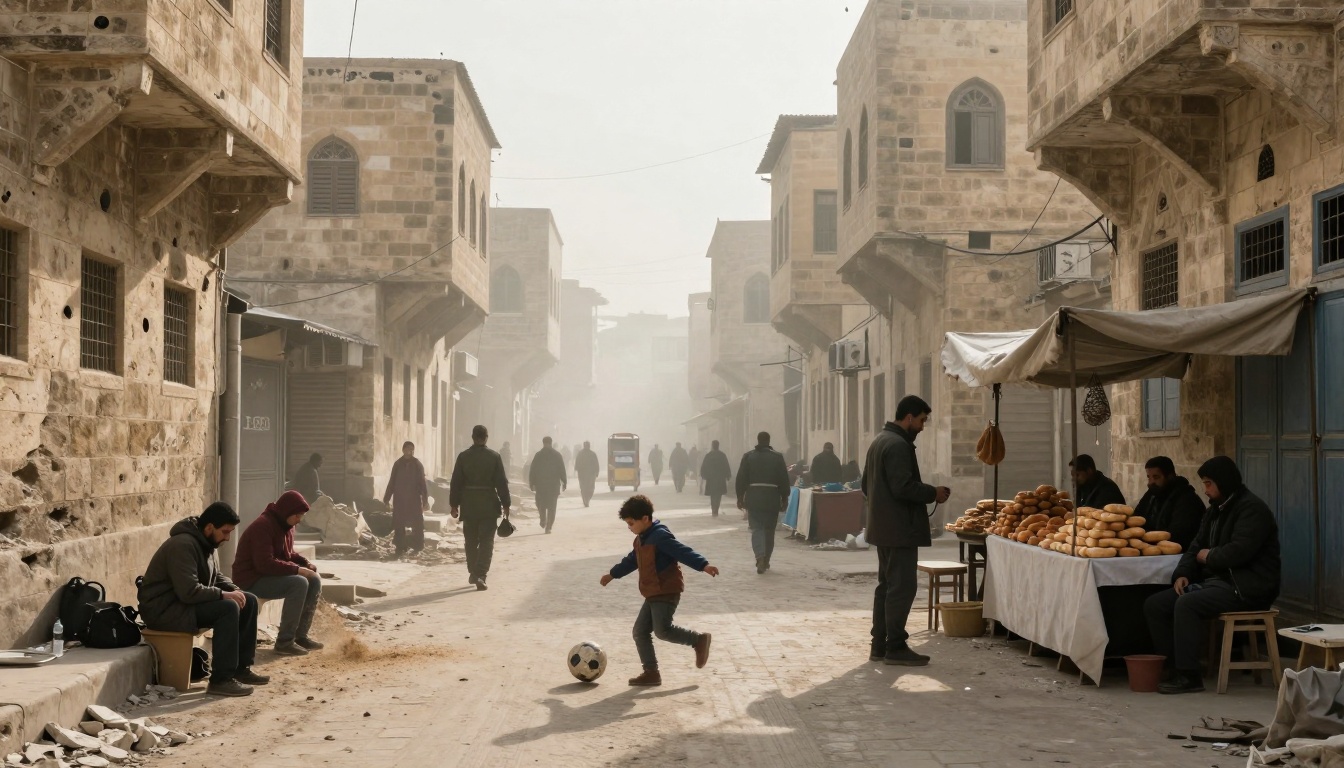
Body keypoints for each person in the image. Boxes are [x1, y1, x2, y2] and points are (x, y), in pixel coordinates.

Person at [1143, 456, 1281, 694]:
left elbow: (1238, 551)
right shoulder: (1214, 511)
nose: (1205, 490)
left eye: (1208, 484)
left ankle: (1189, 677)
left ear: (1223, 483)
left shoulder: (1252, 510)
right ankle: (1173, 667)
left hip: (1246, 587)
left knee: (1187, 604)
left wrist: (1209, 557)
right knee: (1156, 604)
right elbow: (1195, 546)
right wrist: (1183, 573)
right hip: (1218, 584)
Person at [137, 502, 268, 697]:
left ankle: (241, 669)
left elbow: (216, 577)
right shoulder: (182, 545)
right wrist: (224, 595)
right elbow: (188, 591)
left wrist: (235, 590)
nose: (227, 538)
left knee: (247, 600)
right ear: (209, 527)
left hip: (183, 606)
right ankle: (221, 680)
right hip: (164, 610)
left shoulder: (206, 543)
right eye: (225, 532)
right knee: (227, 608)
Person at [863, 395, 951, 667]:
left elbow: (866, 485)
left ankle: (879, 644)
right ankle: (895, 646)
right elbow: (903, 487)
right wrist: (932, 493)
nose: (923, 426)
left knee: (887, 587)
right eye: (922, 420)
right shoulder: (898, 445)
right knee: (902, 587)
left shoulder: (879, 441)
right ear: (909, 417)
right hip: (898, 530)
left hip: (883, 529)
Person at [599, 495, 718, 686]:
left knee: (662, 630)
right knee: (640, 631)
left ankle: (698, 640)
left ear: (645, 519)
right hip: (653, 592)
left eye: (631, 523)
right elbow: (632, 561)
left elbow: (682, 551)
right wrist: (613, 574)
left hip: (666, 590)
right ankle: (651, 672)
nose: (629, 527)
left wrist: (704, 565)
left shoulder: (660, 536)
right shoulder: (641, 539)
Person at [232, 490, 323, 656]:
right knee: (299, 583)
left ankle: (300, 636)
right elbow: (264, 564)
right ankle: (284, 642)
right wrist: (297, 570)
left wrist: (305, 564)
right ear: (287, 511)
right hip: (251, 579)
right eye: (297, 516)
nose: (299, 520)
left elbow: (288, 554)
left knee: (314, 580)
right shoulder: (262, 526)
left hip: (267, 575)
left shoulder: (287, 526)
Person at [449, 425, 512, 590]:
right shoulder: (494, 457)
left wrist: (454, 505)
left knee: (470, 541)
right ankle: (480, 574)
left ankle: (473, 572)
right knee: (486, 541)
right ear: (486, 438)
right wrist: (506, 504)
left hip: (469, 505)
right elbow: (501, 483)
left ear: (472, 437)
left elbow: (455, 482)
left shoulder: (463, 457)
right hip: (488, 505)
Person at [735, 431, 791, 574]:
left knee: (757, 529)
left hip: (754, 498)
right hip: (772, 498)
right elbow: (784, 480)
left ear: (758, 440)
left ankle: (760, 556)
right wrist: (785, 498)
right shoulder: (777, 458)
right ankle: (766, 560)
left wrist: (740, 497)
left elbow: (741, 478)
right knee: (769, 531)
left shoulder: (748, 457)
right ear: (768, 441)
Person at [1132, 456, 1205, 550]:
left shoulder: (1186, 498)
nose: (1151, 482)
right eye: (1149, 477)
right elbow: (1137, 518)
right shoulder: (1152, 493)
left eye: (1156, 477)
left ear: (1170, 476)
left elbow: (1178, 535)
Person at [383, 441, 430, 556]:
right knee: (399, 523)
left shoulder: (417, 464)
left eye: (412, 449)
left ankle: (418, 545)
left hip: (413, 499)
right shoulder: (398, 464)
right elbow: (392, 482)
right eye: (408, 449)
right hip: (399, 499)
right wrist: (386, 498)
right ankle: (400, 546)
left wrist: (425, 500)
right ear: (403, 450)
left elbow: (422, 483)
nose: (410, 451)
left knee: (417, 523)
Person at [529, 436, 568, 534]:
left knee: (541, 504)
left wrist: (532, 483)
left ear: (544, 443)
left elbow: (532, 470)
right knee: (551, 506)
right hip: (553, 485)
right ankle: (548, 526)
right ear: (551, 443)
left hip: (541, 485)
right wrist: (564, 482)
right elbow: (562, 469)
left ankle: (544, 520)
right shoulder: (557, 455)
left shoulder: (538, 455)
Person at [699, 440, 732, 517]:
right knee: (718, 494)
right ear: (718, 445)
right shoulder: (722, 455)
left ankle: (713, 509)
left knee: (712, 494)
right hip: (720, 478)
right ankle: (716, 508)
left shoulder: (709, 455)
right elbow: (726, 466)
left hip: (711, 478)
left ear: (712, 446)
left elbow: (704, 466)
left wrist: (703, 475)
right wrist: (728, 475)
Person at [574, 441, 601, 507]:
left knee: (587, 488)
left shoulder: (590, 454)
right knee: (587, 488)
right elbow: (577, 463)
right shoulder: (582, 454)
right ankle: (586, 500)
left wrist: (597, 472)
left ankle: (586, 500)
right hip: (586, 474)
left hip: (588, 474)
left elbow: (596, 464)